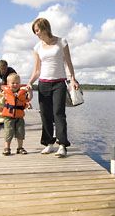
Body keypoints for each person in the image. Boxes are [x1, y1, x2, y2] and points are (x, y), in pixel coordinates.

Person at [26, 17, 79, 158]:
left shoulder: (62, 42)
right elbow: (37, 70)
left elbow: (68, 63)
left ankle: (62, 145)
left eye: (37, 30)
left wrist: (72, 79)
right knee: (45, 114)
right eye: (34, 31)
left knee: (58, 113)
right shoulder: (37, 47)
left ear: (45, 28)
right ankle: (49, 144)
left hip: (59, 83)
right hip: (43, 84)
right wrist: (30, 82)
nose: (36, 33)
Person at [0, 73, 32, 156]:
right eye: (13, 83)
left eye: (17, 83)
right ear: (8, 84)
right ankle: (7, 148)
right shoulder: (5, 93)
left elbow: (28, 99)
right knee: (8, 132)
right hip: (8, 117)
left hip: (19, 117)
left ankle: (20, 148)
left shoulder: (22, 93)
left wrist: (29, 92)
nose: (15, 84)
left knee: (20, 132)